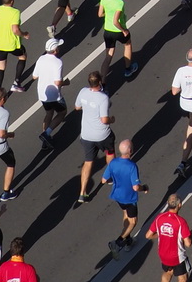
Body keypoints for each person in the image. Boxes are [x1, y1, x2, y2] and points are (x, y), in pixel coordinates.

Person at [74, 72, 113, 204]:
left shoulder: (83, 92)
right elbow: (104, 119)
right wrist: (112, 119)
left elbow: (77, 107)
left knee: (88, 161)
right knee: (110, 152)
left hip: (86, 135)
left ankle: (82, 192)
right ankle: (110, 176)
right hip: (102, 134)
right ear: (100, 82)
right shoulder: (103, 98)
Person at [102, 138, 146, 257]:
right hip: (129, 198)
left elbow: (104, 180)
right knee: (133, 222)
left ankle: (128, 241)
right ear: (130, 151)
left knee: (126, 215)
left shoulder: (113, 163)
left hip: (117, 195)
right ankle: (118, 242)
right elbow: (136, 187)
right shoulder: (132, 166)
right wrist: (144, 188)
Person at [146, 195, 192, 282]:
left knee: (168, 271)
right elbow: (188, 243)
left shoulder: (160, 217)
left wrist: (161, 234)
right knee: (183, 279)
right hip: (177, 257)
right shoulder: (180, 222)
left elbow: (148, 235)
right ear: (179, 205)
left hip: (163, 254)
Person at [97, 0, 136, 80]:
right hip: (118, 30)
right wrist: (124, 30)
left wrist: (108, 14)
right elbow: (115, 21)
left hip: (107, 31)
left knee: (108, 56)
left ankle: (103, 81)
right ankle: (128, 69)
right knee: (127, 45)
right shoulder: (119, 3)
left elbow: (100, 14)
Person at [32, 36, 67, 148]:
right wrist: (66, 83)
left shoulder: (41, 59)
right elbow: (57, 82)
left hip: (42, 94)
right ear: (55, 50)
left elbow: (34, 76)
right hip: (54, 95)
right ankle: (46, 134)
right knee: (62, 113)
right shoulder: (58, 62)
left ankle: (45, 142)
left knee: (49, 113)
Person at [0, 0, 27, 95]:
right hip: (12, 44)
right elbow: (15, 30)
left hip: (0, 42)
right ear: (12, 1)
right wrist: (24, 34)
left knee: (1, 66)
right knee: (22, 57)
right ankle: (16, 82)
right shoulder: (15, 12)